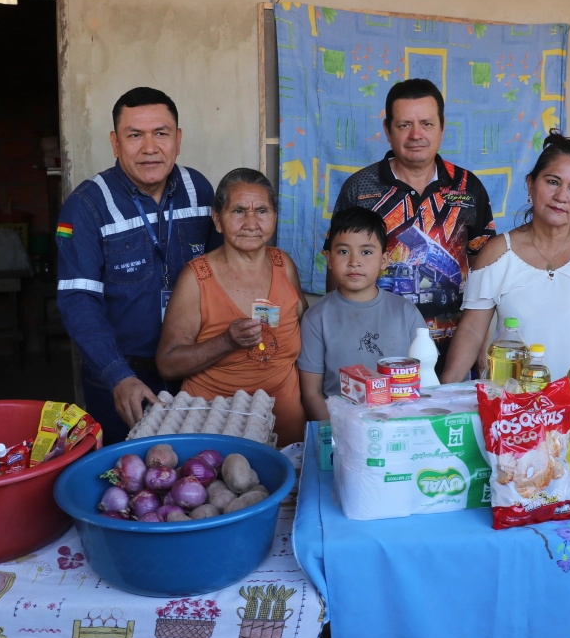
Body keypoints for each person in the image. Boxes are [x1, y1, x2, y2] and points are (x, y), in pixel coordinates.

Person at [56, 87, 219, 446]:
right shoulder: (87, 205)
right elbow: (78, 300)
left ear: (178, 139)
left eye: (161, 133)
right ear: (115, 143)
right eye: (134, 135)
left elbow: (223, 274)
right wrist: (118, 375)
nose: (149, 147)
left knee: (199, 475)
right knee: (129, 485)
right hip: (124, 378)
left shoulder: (200, 191)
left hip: (193, 372)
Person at [443, 131, 570, 387]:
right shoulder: (498, 253)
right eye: (553, 182)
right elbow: (472, 330)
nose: (562, 196)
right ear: (531, 184)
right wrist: (442, 394)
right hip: (516, 410)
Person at [328, 78, 496, 373]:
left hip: (452, 355)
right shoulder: (359, 188)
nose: (416, 135)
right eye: (404, 125)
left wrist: (480, 347)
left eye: (427, 124)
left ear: (442, 127)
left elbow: (483, 273)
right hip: (373, 352)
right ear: (387, 130)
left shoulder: (469, 189)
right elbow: (336, 268)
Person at [156, 168, 308, 446]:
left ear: (274, 216)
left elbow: (305, 328)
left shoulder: (283, 265)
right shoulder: (196, 278)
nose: (251, 222)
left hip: (288, 434)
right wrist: (226, 341)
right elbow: (167, 364)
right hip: (216, 430)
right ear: (217, 219)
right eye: (238, 210)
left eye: (262, 210)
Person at [298, 207, 428, 421]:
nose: (354, 262)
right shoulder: (316, 318)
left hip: (401, 426)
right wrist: (336, 436)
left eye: (366, 252)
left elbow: (425, 382)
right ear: (328, 259)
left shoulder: (405, 312)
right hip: (341, 428)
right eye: (343, 252)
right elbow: (311, 394)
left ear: (384, 260)